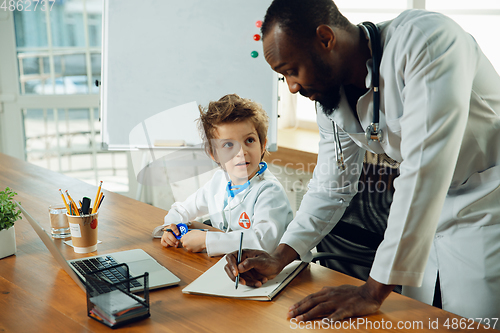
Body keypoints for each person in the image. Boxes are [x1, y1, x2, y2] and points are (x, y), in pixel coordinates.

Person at [225, 0, 500, 322]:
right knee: (420, 322)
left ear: (326, 38)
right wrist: (279, 256)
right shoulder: (330, 94)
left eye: (292, 70)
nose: (293, 87)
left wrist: (371, 291)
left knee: (476, 323)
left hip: (488, 209)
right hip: (425, 220)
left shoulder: (426, 41)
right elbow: (331, 187)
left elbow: (424, 171)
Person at [152, 94, 293, 257]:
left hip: (280, 272)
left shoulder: (269, 191)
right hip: (236, 264)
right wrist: (171, 226)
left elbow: (262, 242)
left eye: (249, 140)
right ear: (214, 154)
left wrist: (207, 240)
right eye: (228, 144)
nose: (241, 152)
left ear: (262, 145)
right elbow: (182, 209)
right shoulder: (219, 181)